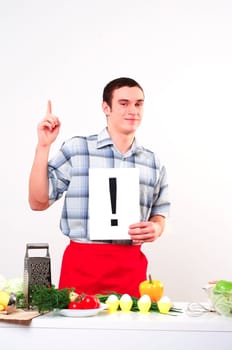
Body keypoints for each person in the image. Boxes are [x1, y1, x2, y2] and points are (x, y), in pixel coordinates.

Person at [29, 77, 170, 298]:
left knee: (131, 332)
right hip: (81, 268)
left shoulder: (153, 162)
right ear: (106, 107)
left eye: (138, 103)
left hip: (131, 270)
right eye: (123, 103)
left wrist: (157, 228)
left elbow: (160, 212)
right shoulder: (78, 149)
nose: (133, 110)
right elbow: (37, 202)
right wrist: (43, 146)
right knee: (77, 332)